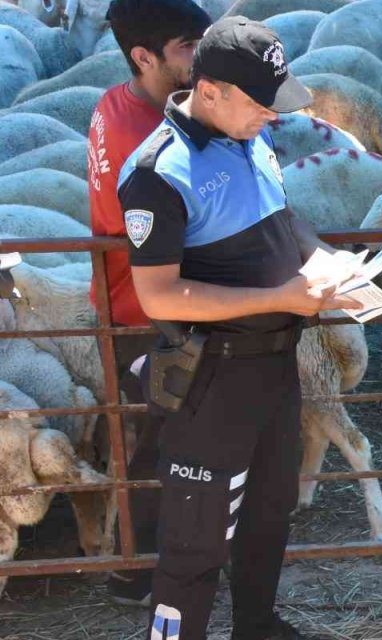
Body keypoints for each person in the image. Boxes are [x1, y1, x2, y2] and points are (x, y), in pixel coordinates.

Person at [117, 17, 358, 640]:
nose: (272, 117)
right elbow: (157, 293)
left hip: (276, 366)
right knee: (196, 537)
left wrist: (321, 259)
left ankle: (257, 625)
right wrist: (277, 294)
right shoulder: (157, 172)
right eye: (260, 103)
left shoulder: (249, 134)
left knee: (269, 512)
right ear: (212, 89)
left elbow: (281, 213)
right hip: (212, 376)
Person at [89, 0, 213, 608]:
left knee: (165, 434)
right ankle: (135, 571)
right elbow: (153, 227)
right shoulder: (136, 131)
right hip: (144, 308)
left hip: (142, 300)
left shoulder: (126, 103)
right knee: (153, 441)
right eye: (189, 45)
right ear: (145, 57)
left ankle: (157, 562)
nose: (201, 54)